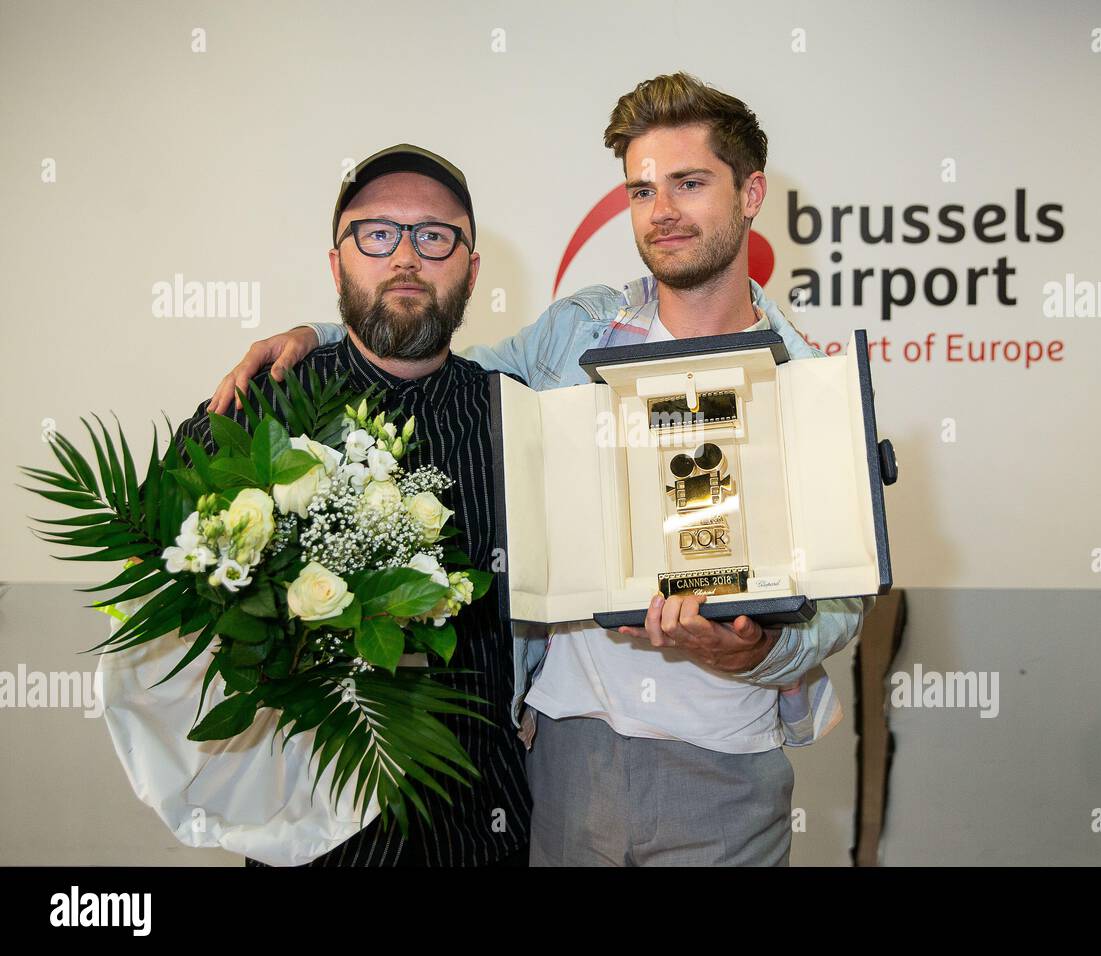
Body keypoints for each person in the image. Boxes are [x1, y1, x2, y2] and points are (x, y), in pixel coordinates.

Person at [208, 74, 872, 866]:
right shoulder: (575, 331)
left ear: (751, 191)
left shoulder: (804, 383)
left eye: (689, 184)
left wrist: (756, 651)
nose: (661, 211)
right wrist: (317, 335)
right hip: (562, 757)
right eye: (641, 189)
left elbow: (843, 603)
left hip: (726, 767)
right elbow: (436, 364)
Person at [172, 145, 531, 866]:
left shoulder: (520, 421)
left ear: (470, 268)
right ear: (337, 264)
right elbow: (164, 560)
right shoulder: (260, 406)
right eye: (377, 233)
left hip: (482, 828)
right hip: (311, 836)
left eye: (434, 235)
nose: (406, 256)